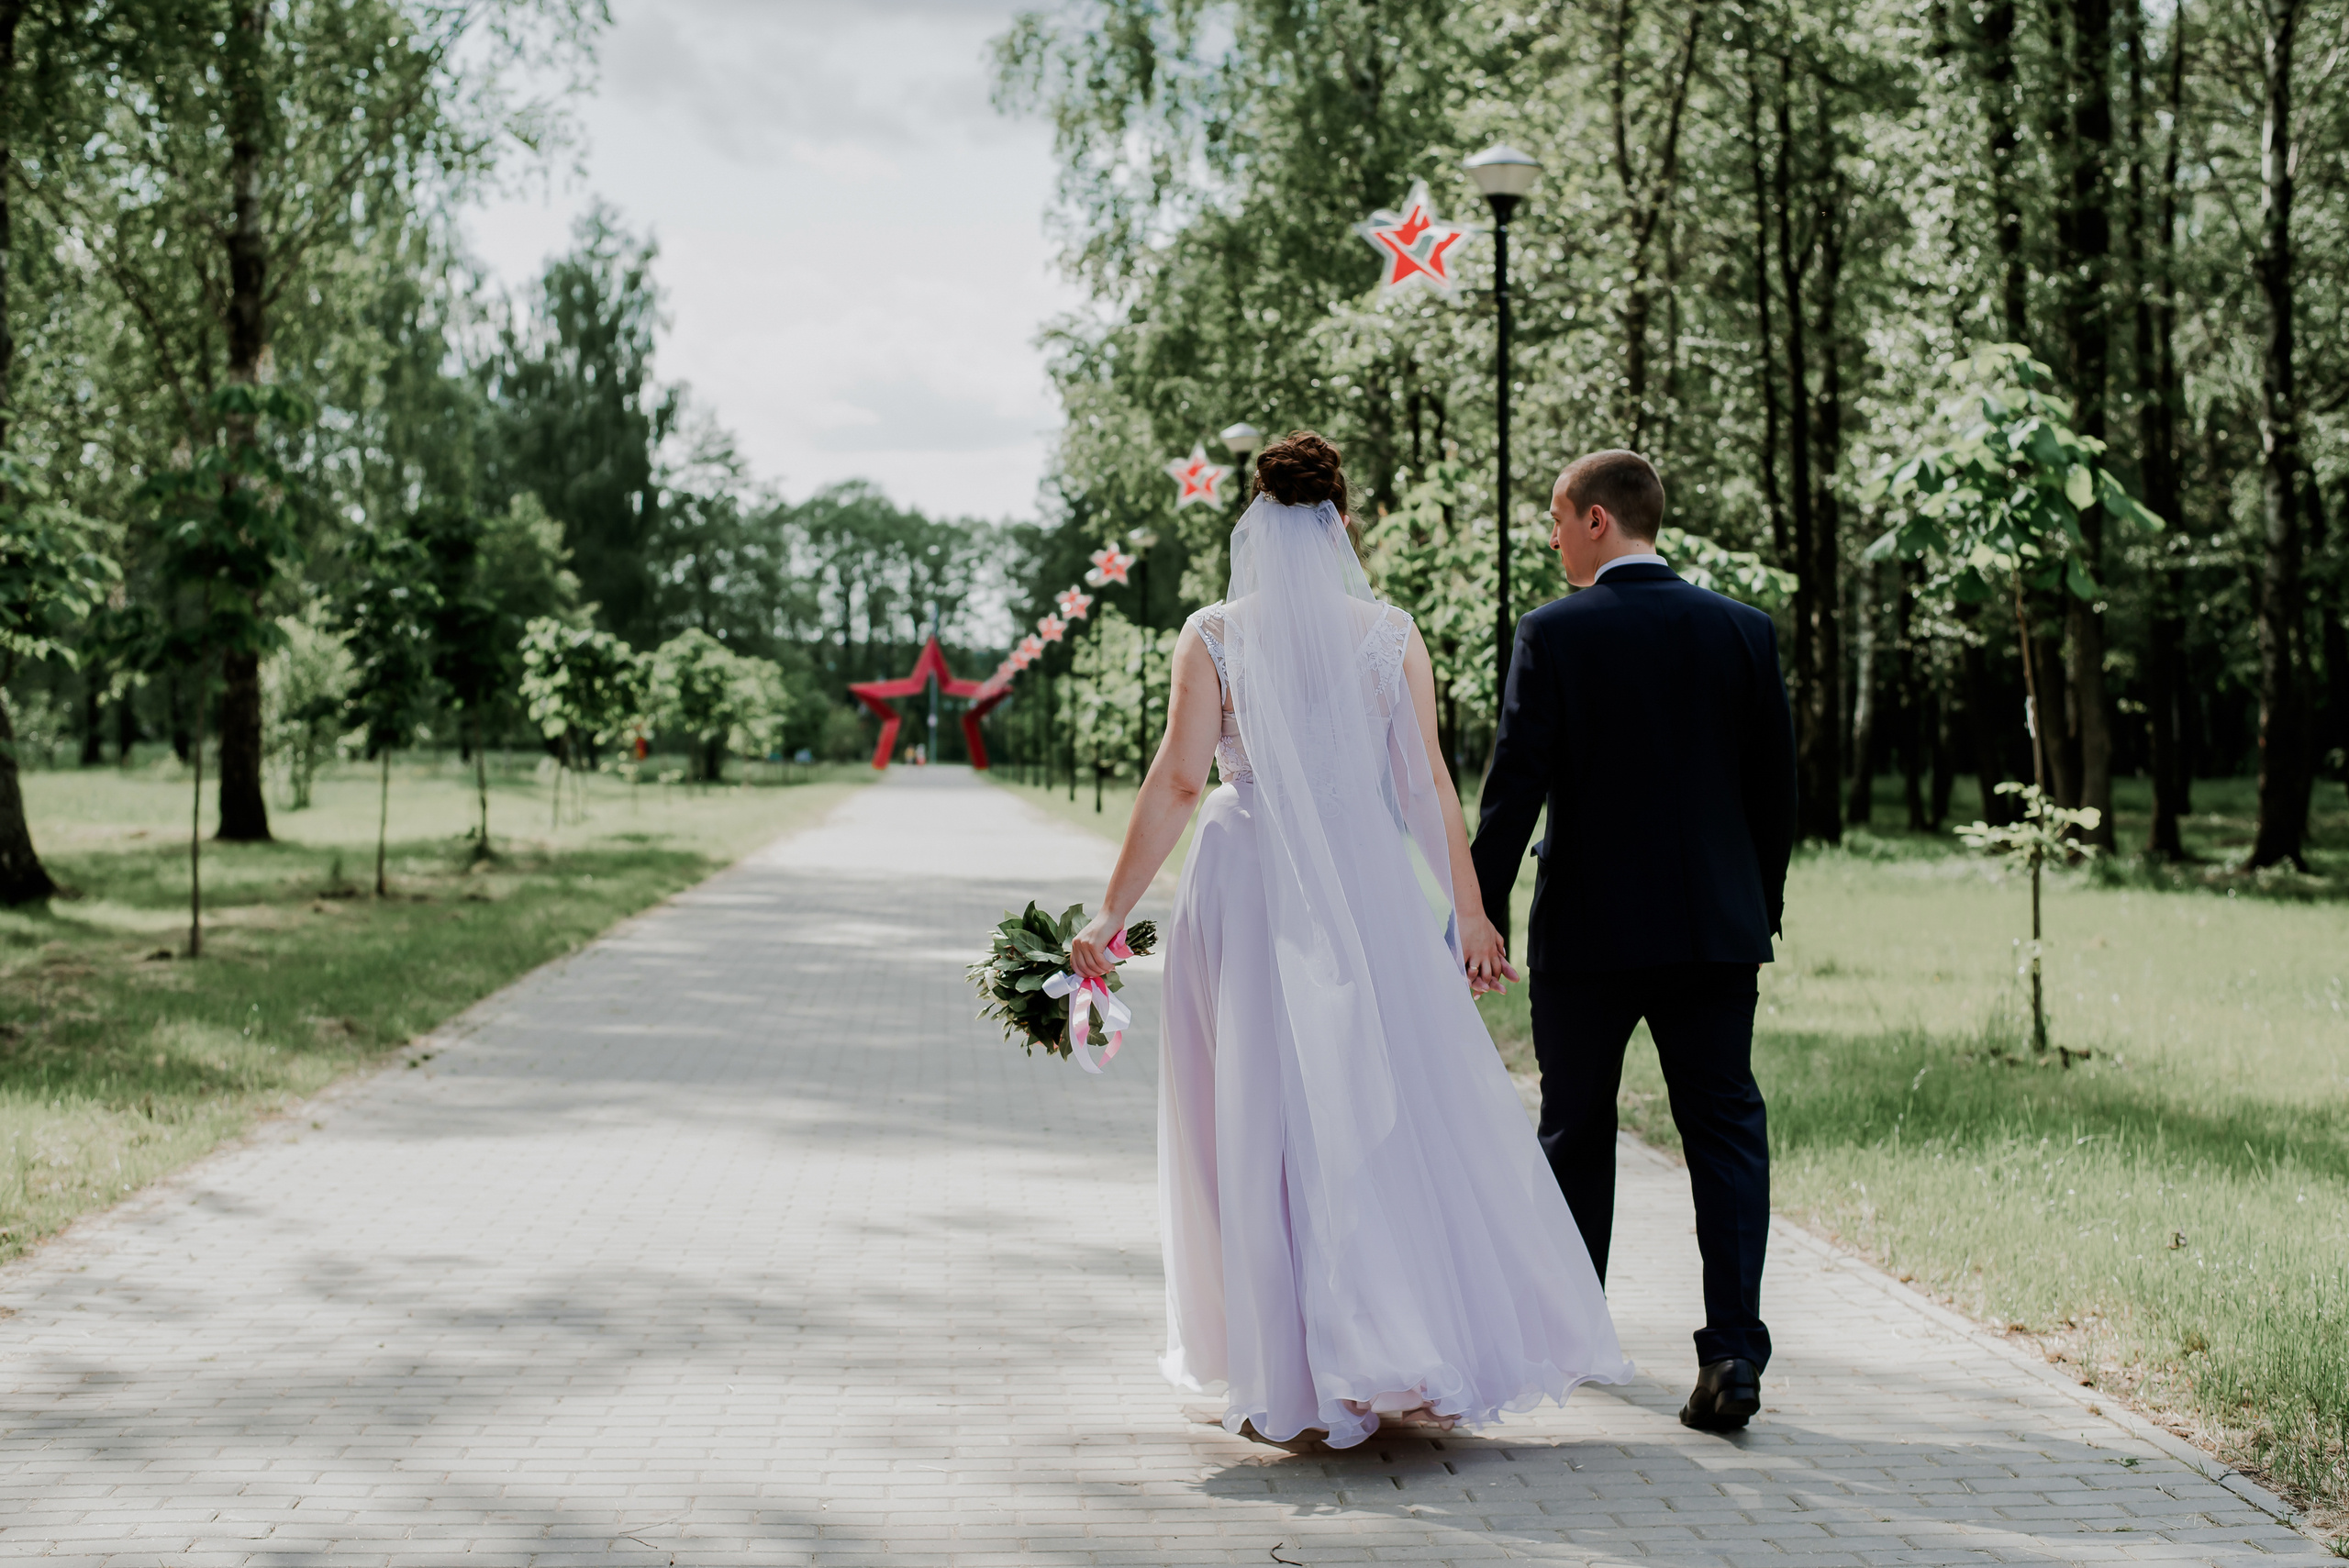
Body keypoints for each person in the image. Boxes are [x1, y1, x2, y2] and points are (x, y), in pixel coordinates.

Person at [1068, 431, 1632, 1450]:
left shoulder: (1212, 634)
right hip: (1366, 879)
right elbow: (1422, 782)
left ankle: (1285, 1358)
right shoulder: (1389, 633)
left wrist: (1110, 910)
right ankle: (1388, 1337)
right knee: (1382, 1097)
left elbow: (1181, 781)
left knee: (1255, 1109)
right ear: (1342, 518)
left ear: (1252, 515)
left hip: (1244, 878)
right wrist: (1466, 909)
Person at [1470, 450, 1797, 1433]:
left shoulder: (1553, 632)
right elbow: (1773, 793)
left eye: (1560, 516)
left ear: (1600, 520)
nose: (1554, 533)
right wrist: (1757, 905)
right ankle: (1733, 1349)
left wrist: (1477, 913)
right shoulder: (1741, 630)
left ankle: (1575, 1336)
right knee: (1725, 1127)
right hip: (1713, 931)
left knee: (1575, 1123)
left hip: (1587, 932)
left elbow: (1514, 783)